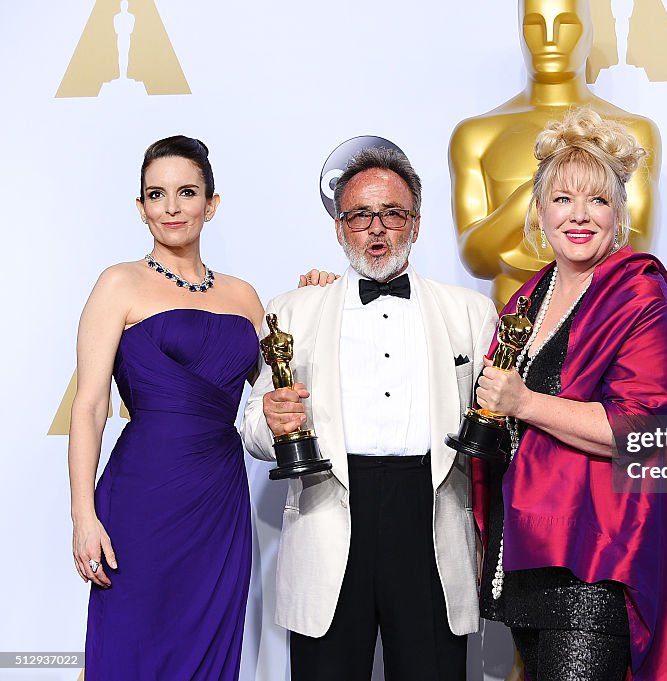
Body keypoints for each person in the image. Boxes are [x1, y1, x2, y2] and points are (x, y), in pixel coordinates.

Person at [473, 107, 667, 681]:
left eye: (598, 201)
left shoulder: (644, 300)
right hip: (530, 555)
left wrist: (525, 403)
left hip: (598, 558)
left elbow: (639, 432)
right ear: (539, 210)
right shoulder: (527, 299)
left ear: (620, 214)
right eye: (562, 199)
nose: (579, 216)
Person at [241, 147, 496, 681]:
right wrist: (272, 418)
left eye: (393, 214)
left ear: (417, 224)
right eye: (359, 215)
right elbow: (253, 428)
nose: (376, 229)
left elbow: (494, 422)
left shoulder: (470, 311)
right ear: (339, 228)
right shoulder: (291, 310)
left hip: (430, 520)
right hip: (328, 512)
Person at [68, 136, 264, 680]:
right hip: (142, 498)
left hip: (220, 499)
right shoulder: (119, 283)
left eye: (186, 192)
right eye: (157, 195)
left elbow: (282, 388)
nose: (172, 208)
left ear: (212, 203)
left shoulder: (245, 296)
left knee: (210, 647)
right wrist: (84, 516)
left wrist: (315, 294)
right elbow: (88, 407)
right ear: (141, 208)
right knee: (131, 647)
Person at [449, 0, 660, 307]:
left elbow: (636, 243)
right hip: (511, 330)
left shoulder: (632, 131)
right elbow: (476, 256)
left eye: (566, 24)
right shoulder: (476, 135)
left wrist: (516, 240)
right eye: (534, 25)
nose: (549, 39)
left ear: (589, 32)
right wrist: (534, 197)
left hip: (602, 321)